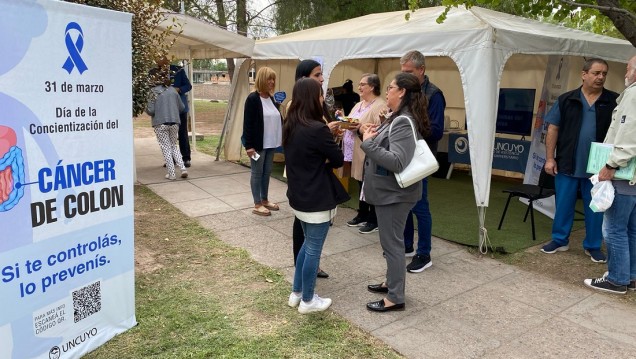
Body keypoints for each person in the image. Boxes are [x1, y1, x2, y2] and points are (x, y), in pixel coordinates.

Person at [361, 73, 430, 312]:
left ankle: (395, 297)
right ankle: (390, 283)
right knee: (391, 242)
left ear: (401, 92)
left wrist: (368, 143)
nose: (387, 91)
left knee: (392, 245)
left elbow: (398, 162)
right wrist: (374, 134)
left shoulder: (402, 121)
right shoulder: (397, 118)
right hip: (391, 193)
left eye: (390, 88)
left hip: (395, 195)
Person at [542, 58, 619, 263]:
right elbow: (553, 128)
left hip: (599, 168)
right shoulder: (567, 99)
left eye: (604, 73)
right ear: (584, 74)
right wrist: (550, 158)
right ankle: (559, 240)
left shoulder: (614, 101)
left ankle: (593, 246)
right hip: (567, 163)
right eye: (596, 73)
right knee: (564, 204)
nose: (600, 77)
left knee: (596, 208)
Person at [284, 78, 350, 313]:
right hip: (316, 198)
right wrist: (331, 138)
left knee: (306, 246)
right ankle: (308, 300)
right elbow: (337, 160)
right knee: (312, 248)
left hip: (298, 196)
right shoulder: (317, 128)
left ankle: (297, 293)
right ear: (314, 98)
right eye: (321, 95)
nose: (323, 99)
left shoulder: (291, 124)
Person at [584, 55, 636, 294]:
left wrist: (612, 164)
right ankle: (630, 276)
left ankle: (616, 279)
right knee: (631, 229)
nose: (625, 72)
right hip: (632, 177)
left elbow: (628, 138)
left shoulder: (633, 95)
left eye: (628, 68)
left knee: (614, 229)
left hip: (624, 174)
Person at [289, 59, 341, 278]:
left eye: (321, 74)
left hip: (310, 173)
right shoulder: (297, 106)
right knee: (307, 234)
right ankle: (305, 274)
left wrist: (329, 135)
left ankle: (304, 273)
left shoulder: (313, 108)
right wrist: (325, 134)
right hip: (309, 176)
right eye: (317, 74)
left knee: (308, 232)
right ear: (304, 79)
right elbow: (307, 140)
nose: (321, 78)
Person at [400, 50, 446, 273]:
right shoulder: (406, 91)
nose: (404, 77)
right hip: (404, 156)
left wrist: (408, 128)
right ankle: (407, 245)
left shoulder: (434, 94)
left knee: (420, 205)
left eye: (408, 72)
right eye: (403, 72)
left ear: (421, 70)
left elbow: (436, 131)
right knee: (405, 203)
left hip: (422, 158)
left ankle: (424, 253)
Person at [342, 74, 386, 234]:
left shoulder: (380, 105)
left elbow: (380, 128)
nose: (359, 87)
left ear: (372, 87)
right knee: (361, 182)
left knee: (369, 184)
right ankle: (363, 213)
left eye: (362, 84)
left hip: (367, 150)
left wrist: (359, 126)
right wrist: (344, 121)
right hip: (355, 150)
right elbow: (352, 120)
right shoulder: (359, 104)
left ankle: (374, 219)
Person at [242, 67, 282, 216]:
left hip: (271, 144)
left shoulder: (271, 99)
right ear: (261, 80)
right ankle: (257, 203)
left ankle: (264, 200)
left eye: (273, 79)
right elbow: (248, 124)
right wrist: (249, 146)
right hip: (258, 145)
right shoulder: (253, 99)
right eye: (268, 79)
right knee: (257, 173)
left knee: (267, 172)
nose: (271, 82)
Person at [146, 65, 188, 180]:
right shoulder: (173, 91)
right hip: (175, 121)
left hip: (160, 123)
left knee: (166, 148)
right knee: (174, 146)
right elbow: (182, 107)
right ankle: (183, 168)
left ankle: (172, 173)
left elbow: (151, 110)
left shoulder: (153, 92)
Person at [155, 56, 193, 167]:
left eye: (164, 64)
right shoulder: (156, 73)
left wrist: (179, 89)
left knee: (182, 133)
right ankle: (171, 159)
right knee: (167, 135)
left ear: (168, 62)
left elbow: (188, 86)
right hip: (166, 109)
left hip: (180, 108)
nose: (162, 66)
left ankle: (186, 158)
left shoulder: (179, 70)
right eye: (160, 64)